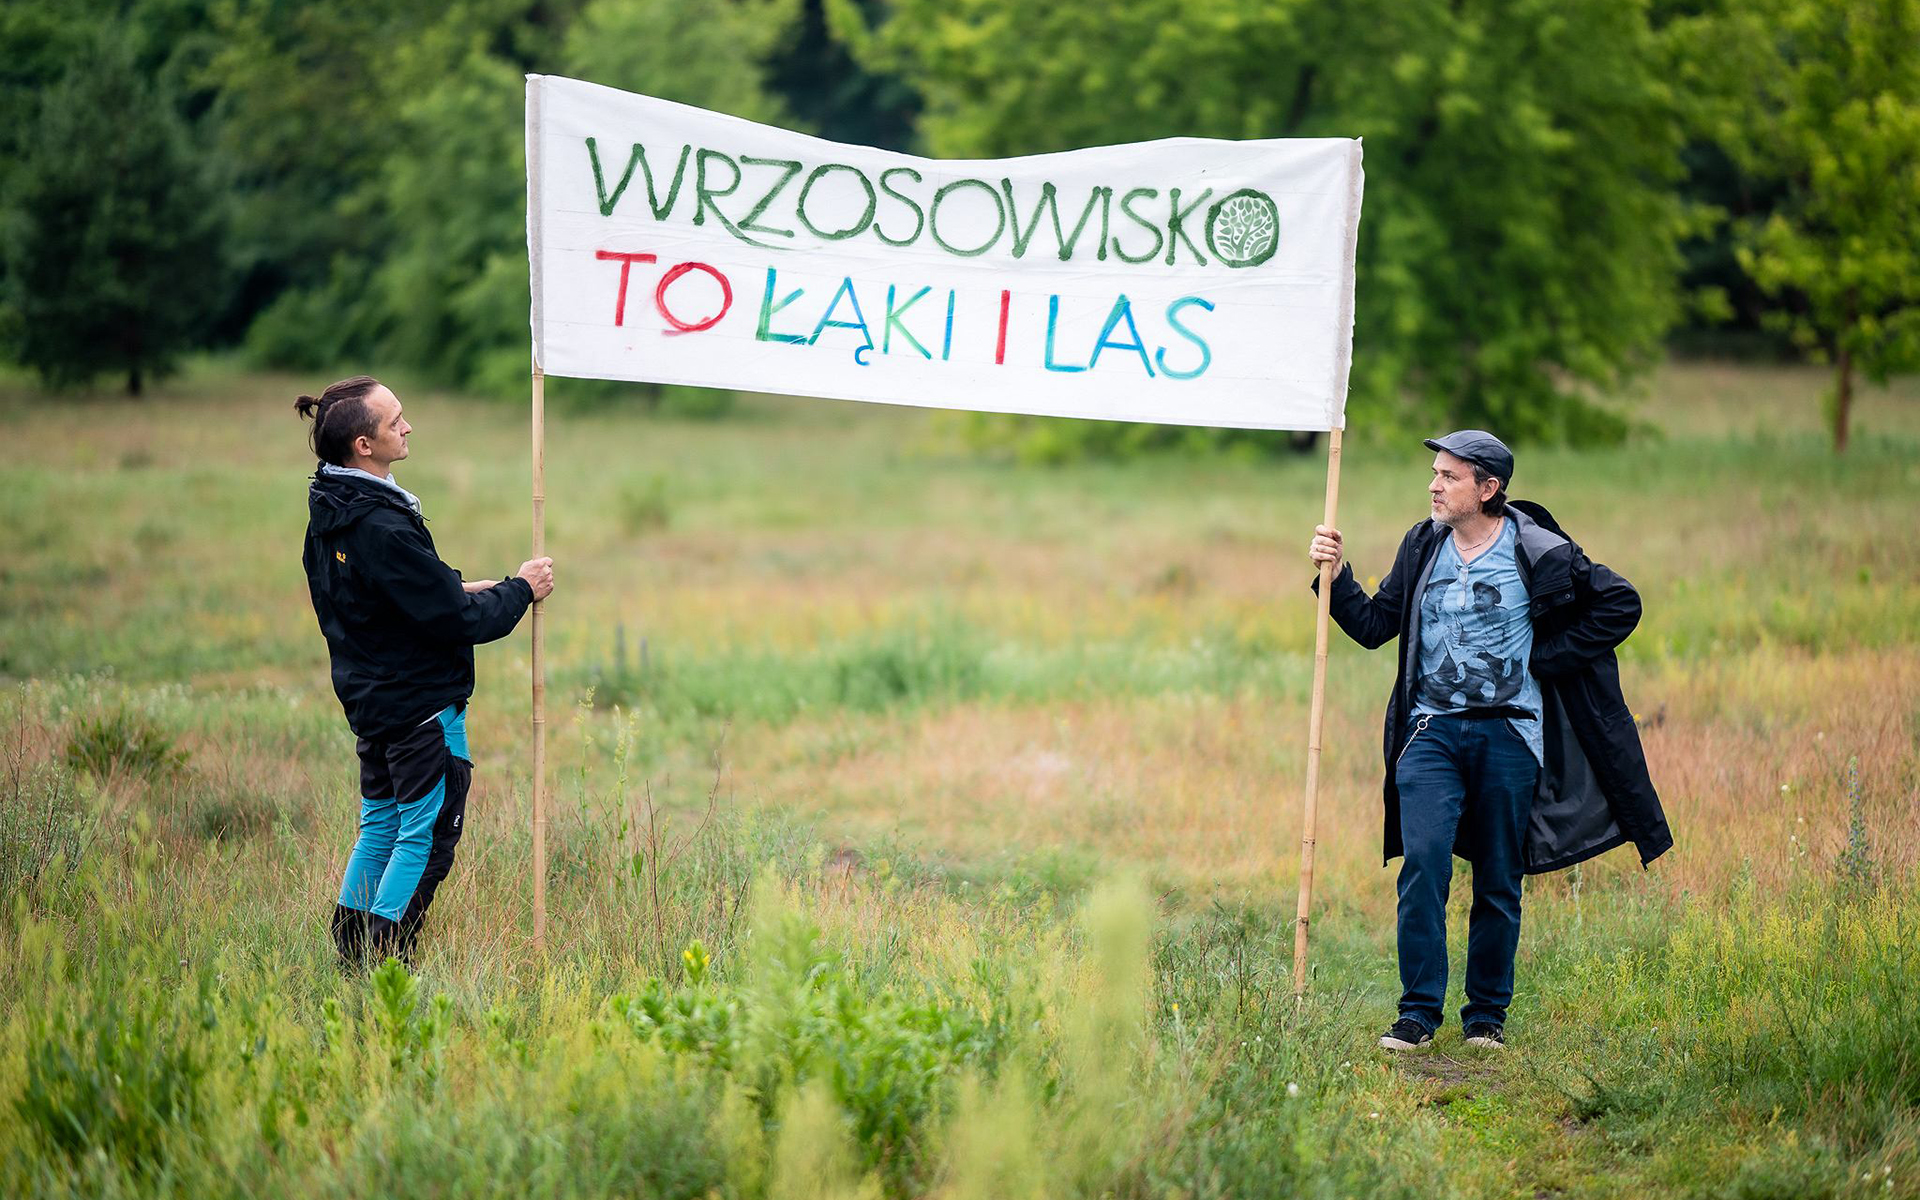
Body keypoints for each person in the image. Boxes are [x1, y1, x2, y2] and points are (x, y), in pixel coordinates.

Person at [1307, 430, 1671, 1052]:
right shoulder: (1423, 546)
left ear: (1488, 488)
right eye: (1434, 472)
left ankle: (1485, 1018)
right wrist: (1334, 578)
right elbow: (1373, 628)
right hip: (1430, 732)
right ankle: (1417, 1014)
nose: (1434, 484)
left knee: (1500, 878)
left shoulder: (1539, 550)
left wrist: (1546, 657)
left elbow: (1620, 603)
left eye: (1449, 476)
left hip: (1509, 734)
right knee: (1423, 864)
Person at [295, 375, 554, 968]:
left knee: (381, 826)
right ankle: (382, 965)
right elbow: (459, 622)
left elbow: (372, 599)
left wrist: (455, 588)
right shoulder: (380, 524)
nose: (407, 427)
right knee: (426, 836)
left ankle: (349, 956)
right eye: (394, 421)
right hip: (420, 710)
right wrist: (521, 589)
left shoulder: (331, 511)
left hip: (371, 701)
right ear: (363, 445)